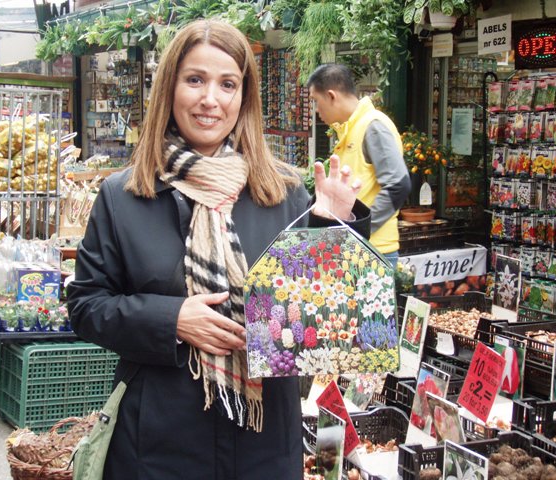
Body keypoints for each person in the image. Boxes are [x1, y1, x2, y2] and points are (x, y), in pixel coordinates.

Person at [67, 20, 370, 480]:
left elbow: (328, 331)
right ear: (170, 87)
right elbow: (87, 306)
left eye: (227, 84)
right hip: (156, 447)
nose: (211, 99)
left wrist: (335, 227)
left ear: (243, 97)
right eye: (195, 80)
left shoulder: (283, 192)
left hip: (264, 446)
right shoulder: (124, 195)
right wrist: (172, 320)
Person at [307, 64, 411, 267]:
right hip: (357, 248)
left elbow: (399, 185)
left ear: (331, 96)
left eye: (316, 102)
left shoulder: (372, 126)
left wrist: (359, 229)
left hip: (372, 251)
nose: (317, 110)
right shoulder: (350, 129)